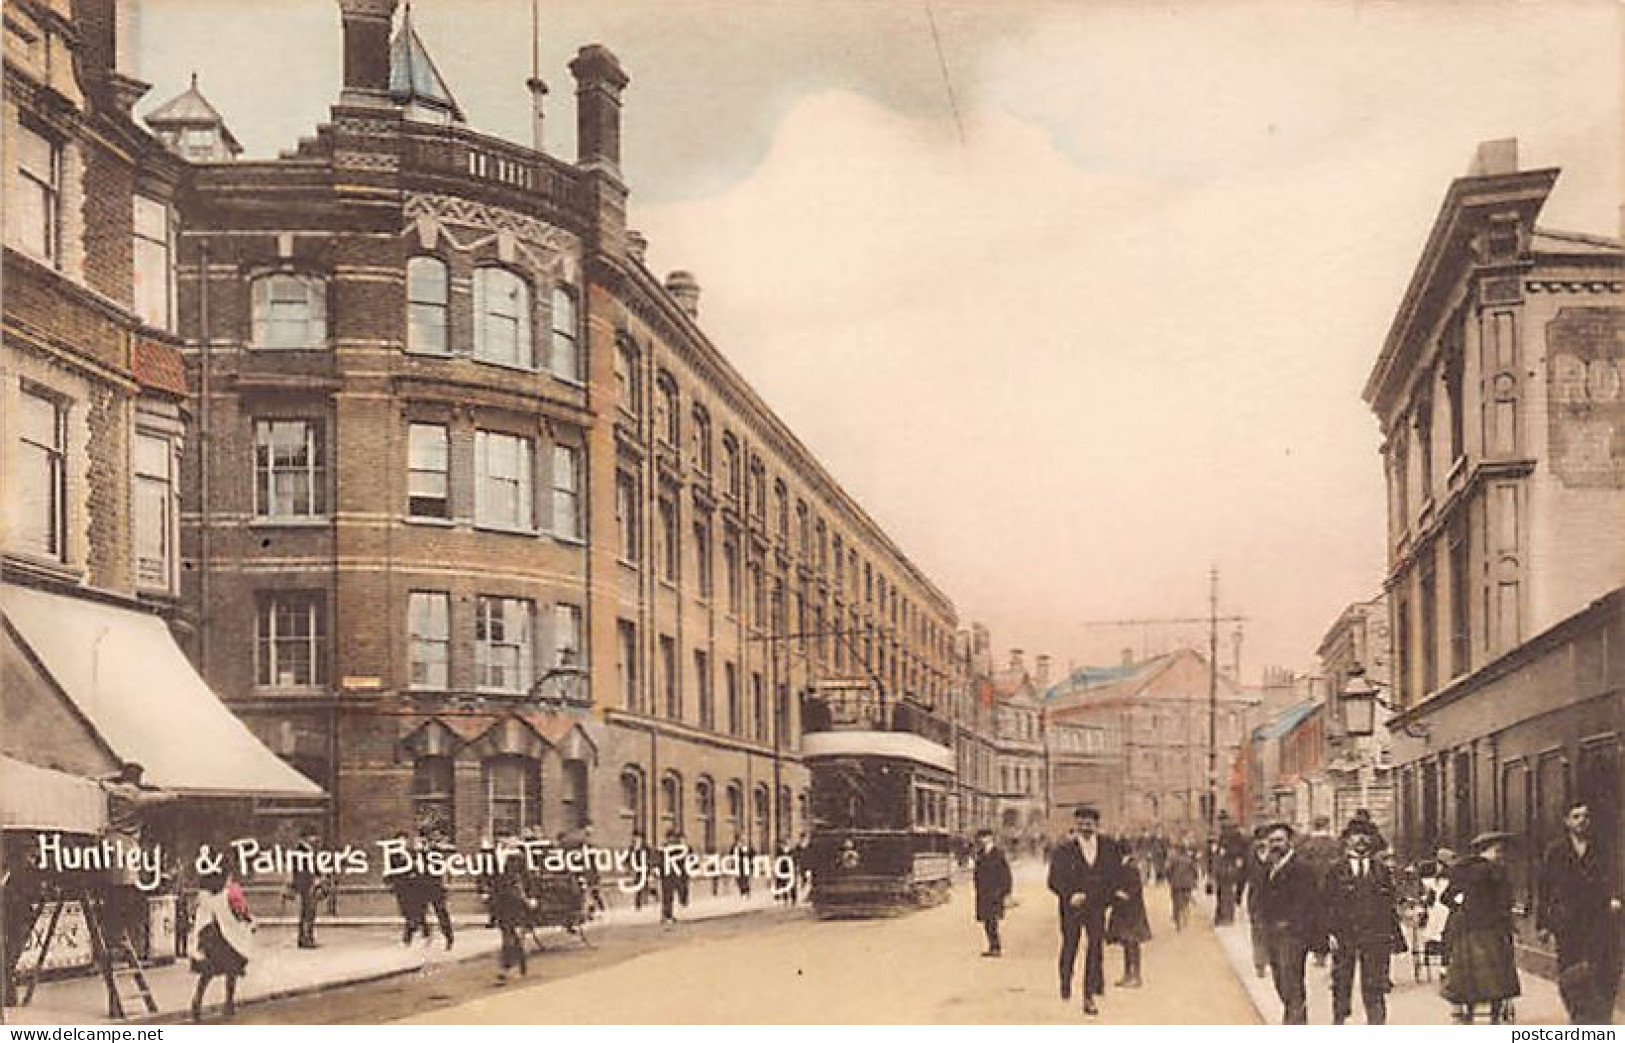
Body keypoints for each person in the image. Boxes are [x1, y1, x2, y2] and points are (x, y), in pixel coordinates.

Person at [1538, 803, 1621, 1024]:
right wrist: (1543, 924)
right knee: (1569, 971)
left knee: (1601, 968)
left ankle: (1601, 1017)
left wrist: (1615, 897)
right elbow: (1543, 889)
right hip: (1567, 921)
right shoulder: (1555, 851)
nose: (1582, 820)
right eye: (1576, 816)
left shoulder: (1602, 848)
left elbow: (1615, 875)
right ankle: (1578, 1016)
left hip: (1599, 919)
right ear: (1566, 821)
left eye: (1585, 816)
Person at [1047, 806, 1125, 1015]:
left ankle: (1088, 995)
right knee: (1070, 946)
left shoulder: (1109, 847)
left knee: (1095, 948)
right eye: (1081, 824)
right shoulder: (1064, 850)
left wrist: (1112, 895)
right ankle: (1065, 979)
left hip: (1096, 907)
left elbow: (1116, 874)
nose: (1085, 827)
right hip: (1072, 908)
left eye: (1089, 824)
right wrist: (1069, 894)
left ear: (1096, 825)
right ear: (1076, 825)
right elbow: (1053, 880)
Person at [1322, 816, 1401, 1025]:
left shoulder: (1381, 870)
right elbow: (1326, 904)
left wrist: (1392, 935)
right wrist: (1329, 934)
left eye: (1365, 835)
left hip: (1375, 937)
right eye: (1356, 835)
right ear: (1347, 840)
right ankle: (1339, 1021)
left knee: (1375, 986)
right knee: (1341, 983)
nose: (1361, 840)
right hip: (1344, 935)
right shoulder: (1335, 870)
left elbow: (1389, 905)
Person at [1442, 831, 1520, 1024]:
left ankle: (1468, 1010)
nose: (1502, 855)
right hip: (1493, 929)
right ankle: (1494, 1013)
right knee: (1496, 972)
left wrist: (1462, 908)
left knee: (1470, 973)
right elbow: (1506, 901)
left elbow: (1446, 897)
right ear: (1488, 850)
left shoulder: (1463, 869)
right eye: (1499, 851)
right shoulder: (1497, 871)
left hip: (1468, 928)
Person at [1258, 822, 1325, 1025]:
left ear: (1289, 842)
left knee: (1292, 982)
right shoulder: (1269, 867)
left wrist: (1295, 926)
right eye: (1271, 841)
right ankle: (1295, 1019)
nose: (1275, 845)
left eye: (1279, 840)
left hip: (1294, 934)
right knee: (1280, 981)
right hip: (1272, 933)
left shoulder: (1302, 868)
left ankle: (1295, 1025)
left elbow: (1309, 902)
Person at [188, 870, 253, 1022]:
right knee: (232, 970)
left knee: (208, 972)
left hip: (211, 938)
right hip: (227, 938)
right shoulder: (228, 894)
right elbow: (239, 911)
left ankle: (197, 1001)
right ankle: (229, 1003)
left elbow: (199, 918)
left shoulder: (204, 898)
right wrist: (247, 920)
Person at [1107, 851, 1151, 987]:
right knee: (1126, 943)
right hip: (1123, 911)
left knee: (1133, 943)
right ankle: (1127, 974)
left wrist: (1122, 894)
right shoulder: (1122, 867)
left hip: (1132, 912)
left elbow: (1134, 889)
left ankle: (1136, 976)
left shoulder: (1131, 869)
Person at [490, 843, 532, 982]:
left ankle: (507, 967)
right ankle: (517, 965)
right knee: (509, 933)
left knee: (510, 934)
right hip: (501, 900)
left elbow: (525, 879)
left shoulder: (517, 858)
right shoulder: (495, 859)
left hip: (513, 900)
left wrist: (527, 897)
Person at [972, 828, 1012, 957]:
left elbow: (1006, 873)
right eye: (981, 838)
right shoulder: (980, 853)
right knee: (986, 919)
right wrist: (976, 887)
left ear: (990, 838)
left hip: (995, 891)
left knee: (992, 920)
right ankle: (992, 946)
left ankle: (995, 947)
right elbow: (977, 873)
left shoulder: (998, 853)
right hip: (983, 892)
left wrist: (1006, 891)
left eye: (985, 837)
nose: (982, 840)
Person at [1238, 830, 1272, 978]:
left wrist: (1238, 895)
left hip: (1256, 896)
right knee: (1269, 928)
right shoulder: (1274, 851)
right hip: (1271, 896)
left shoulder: (1250, 852)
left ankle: (1260, 962)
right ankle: (1267, 959)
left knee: (1257, 930)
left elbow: (1243, 874)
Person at [415, 831, 455, 950]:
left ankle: (448, 937)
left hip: (435, 886)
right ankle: (426, 935)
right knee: (420, 912)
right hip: (422, 887)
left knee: (441, 912)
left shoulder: (436, 852)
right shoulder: (418, 853)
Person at [287, 827, 323, 950]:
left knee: (309, 911)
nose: (315, 839)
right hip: (306, 883)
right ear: (306, 837)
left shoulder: (308, 850)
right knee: (308, 911)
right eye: (313, 836)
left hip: (308, 882)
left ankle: (307, 937)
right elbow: (301, 869)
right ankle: (305, 938)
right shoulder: (301, 850)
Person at [1165, 844, 1199, 931]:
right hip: (1187, 884)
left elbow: (1168, 871)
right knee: (1186, 900)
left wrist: (1169, 880)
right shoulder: (1189, 860)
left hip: (1176, 884)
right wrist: (1195, 880)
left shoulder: (1173, 860)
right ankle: (1185, 913)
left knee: (1175, 902)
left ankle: (1177, 919)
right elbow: (1195, 871)